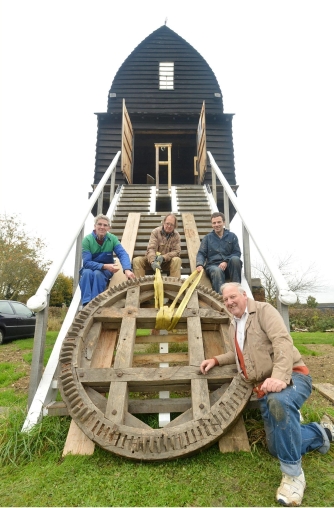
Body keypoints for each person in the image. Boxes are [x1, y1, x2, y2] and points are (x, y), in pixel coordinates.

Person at [200, 282, 334, 507]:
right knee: (276, 447)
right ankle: (322, 433)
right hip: (265, 387)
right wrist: (216, 360)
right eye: (226, 300)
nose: (230, 302)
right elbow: (238, 354)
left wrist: (280, 377)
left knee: (279, 400)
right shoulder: (235, 324)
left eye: (233, 296)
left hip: (293, 376)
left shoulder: (264, 311)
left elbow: (282, 341)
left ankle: (293, 477)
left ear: (244, 295)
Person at [79, 214, 135, 306]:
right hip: (92, 267)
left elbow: (122, 254)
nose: (102, 227)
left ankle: (94, 303)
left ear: (109, 228)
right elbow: (86, 262)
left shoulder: (112, 239)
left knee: (98, 274)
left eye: (105, 225)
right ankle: (86, 303)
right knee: (87, 273)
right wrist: (104, 266)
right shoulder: (87, 240)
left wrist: (127, 269)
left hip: (105, 270)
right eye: (99, 224)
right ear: (95, 226)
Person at [196, 212, 242, 294]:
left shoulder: (232, 236)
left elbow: (237, 252)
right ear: (212, 224)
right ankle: (221, 298)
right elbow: (201, 253)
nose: (216, 225)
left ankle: (237, 291)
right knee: (217, 270)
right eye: (214, 223)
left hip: (229, 267)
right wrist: (199, 264)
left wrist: (226, 261)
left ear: (224, 222)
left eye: (219, 222)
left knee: (235, 259)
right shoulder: (207, 238)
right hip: (213, 267)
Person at [133, 213, 182, 277]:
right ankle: (139, 285)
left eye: (172, 225)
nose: (169, 226)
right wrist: (153, 261)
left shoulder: (177, 235)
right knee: (137, 261)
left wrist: (163, 257)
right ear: (164, 222)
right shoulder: (155, 232)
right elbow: (151, 248)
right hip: (152, 262)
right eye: (167, 223)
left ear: (175, 226)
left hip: (166, 263)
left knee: (177, 260)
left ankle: (174, 286)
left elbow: (177, 252)